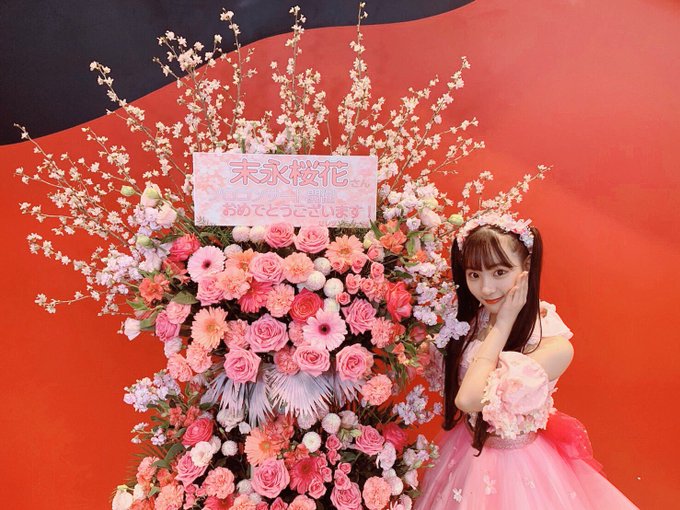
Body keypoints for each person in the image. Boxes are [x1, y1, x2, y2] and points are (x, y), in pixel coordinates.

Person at [415, 212, 638, 509]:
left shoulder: (552, 343)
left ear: (527, 266)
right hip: (464, 452)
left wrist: (503, 324)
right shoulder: (470, 322)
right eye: (474, 275)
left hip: (518, 468)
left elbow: (468, 399)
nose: (486, 288)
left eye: (499, 272)